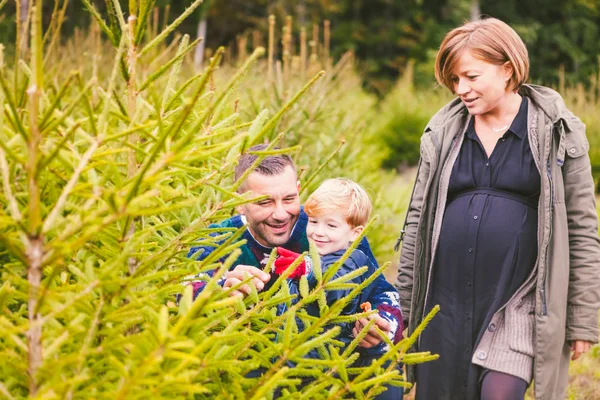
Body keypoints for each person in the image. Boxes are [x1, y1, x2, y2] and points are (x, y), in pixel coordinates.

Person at [396, 17, 600, 400]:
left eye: (471, 77)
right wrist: (404, 306)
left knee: (499, 393)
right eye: (455, 80)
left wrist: (583, 320)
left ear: (507, 69)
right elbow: (416, 224)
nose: (461, 90)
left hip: (518, 302)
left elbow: (583, 230)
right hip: (445, 301)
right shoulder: (442, 134)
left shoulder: (557, 131)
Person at [187, 144, 399, 357]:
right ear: (240, 203)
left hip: (331, 366)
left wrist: (383, 327)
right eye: (264, 202)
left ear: (298, 190)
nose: (280, 214)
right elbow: (181, 293)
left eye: (289, 199)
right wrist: (220, 291)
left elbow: (382, 291)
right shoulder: (217, 239)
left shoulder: (327, 230)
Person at [273, 178, 404, 399]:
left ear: (355, 232)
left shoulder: (355, 260)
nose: (317, 232)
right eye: (313, 222)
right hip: (301, 369)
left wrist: (307, 270)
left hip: (342, 370)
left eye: (331, 225)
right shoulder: (314, 256)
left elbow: (334, 284)